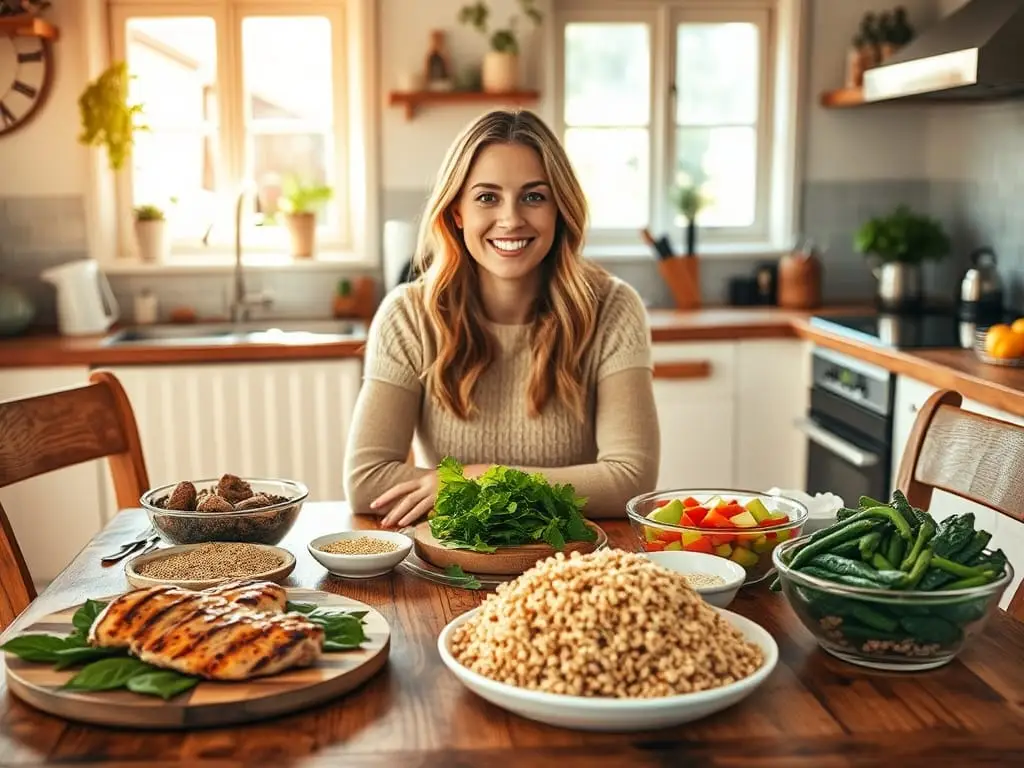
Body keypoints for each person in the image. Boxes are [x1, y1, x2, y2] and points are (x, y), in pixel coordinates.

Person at [343, 108, 660, 529]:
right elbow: (367, 481)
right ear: (457, 212)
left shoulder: (613, 308)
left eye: (534, 196)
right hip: (451, 558)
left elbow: (630, 482)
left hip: (575, 565)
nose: (511, 219)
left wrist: (481, 481)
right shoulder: (408, 315)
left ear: (559, 209)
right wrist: (552, 489)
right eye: (487, 197)